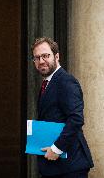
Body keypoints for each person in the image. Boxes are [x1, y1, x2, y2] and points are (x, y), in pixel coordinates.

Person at [31, 37, 94, 178]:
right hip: (56, 167)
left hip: (70, 166)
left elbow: (76, 119)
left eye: (45, 56)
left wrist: (57, 148)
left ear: (57, 56)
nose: (41, 61)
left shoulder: (66, 81)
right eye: (37, 58)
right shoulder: (47, 83)